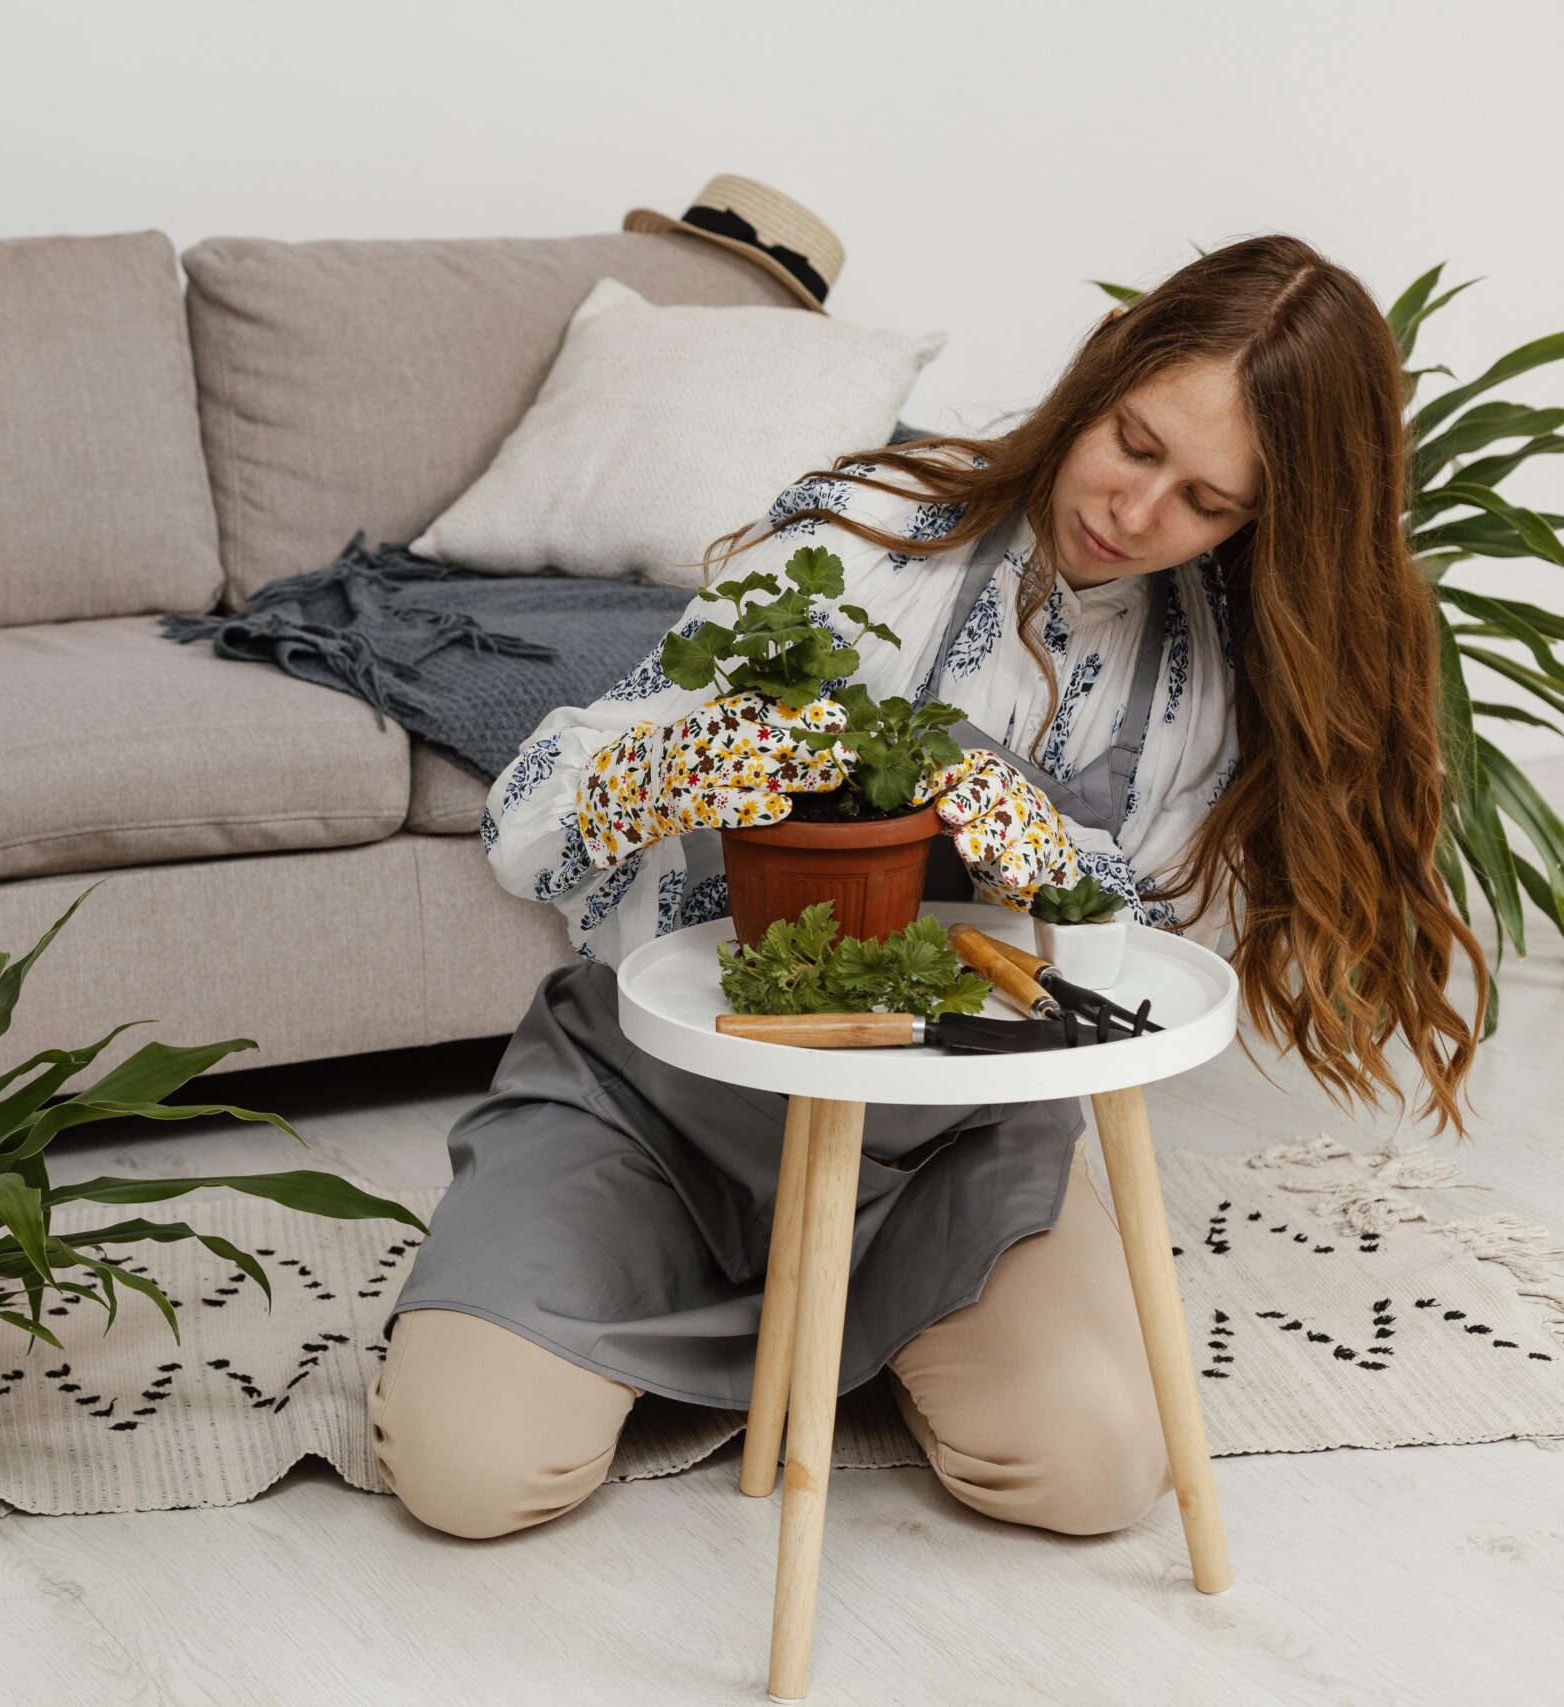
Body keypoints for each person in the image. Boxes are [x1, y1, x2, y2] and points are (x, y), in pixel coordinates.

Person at [368, 233, 1487, 1542]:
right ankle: (785, 1328)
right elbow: (529, 820)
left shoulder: (1213, 672)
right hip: (659, 1110)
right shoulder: (860, 533)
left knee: (1092, 1471)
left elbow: (1147, 958)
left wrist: (1050, 864)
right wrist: (680, 766)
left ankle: (873, 1321)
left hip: (952, 1146)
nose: (1136, 515)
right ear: (1101, 371)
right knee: (468, 1470)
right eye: (1133, 443)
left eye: (1206, 501)